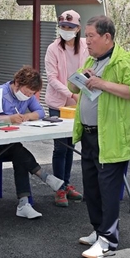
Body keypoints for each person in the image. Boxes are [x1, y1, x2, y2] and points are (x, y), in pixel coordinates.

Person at [71, 16, 130, 258]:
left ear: (107, 37)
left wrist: (103, 84)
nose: (87, 41)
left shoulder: (123, 60)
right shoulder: (92, 59)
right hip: (90, 134)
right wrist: (83, 76)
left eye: (91, 36)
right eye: (86, 36)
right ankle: (98, 230)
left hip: (111, 136)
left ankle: (108, 240)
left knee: (108, 188)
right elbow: (73, 88)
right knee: (91, 186)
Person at [0, 66, 65, 219]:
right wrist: (9, 119)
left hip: (9, 143)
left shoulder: (28, 95)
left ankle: (25, 203)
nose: (28, 96)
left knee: (17, 151)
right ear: (17, 82)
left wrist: (27, 116)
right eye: (26, 92)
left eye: (31, 94)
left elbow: (41, 112)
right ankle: (40, 180)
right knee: (18, 150)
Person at [44, 10, 87, 207]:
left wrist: (80, 93)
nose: (66, 30)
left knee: (71, 146)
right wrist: (70, 94)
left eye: (70, 27)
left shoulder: (85, 45)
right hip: (58, 104)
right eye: (63, 27)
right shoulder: (53, 48)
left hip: (78, 103)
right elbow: (52, 78)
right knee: (60, 147)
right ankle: (59, 187)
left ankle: (67, 183)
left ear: (78, 29)